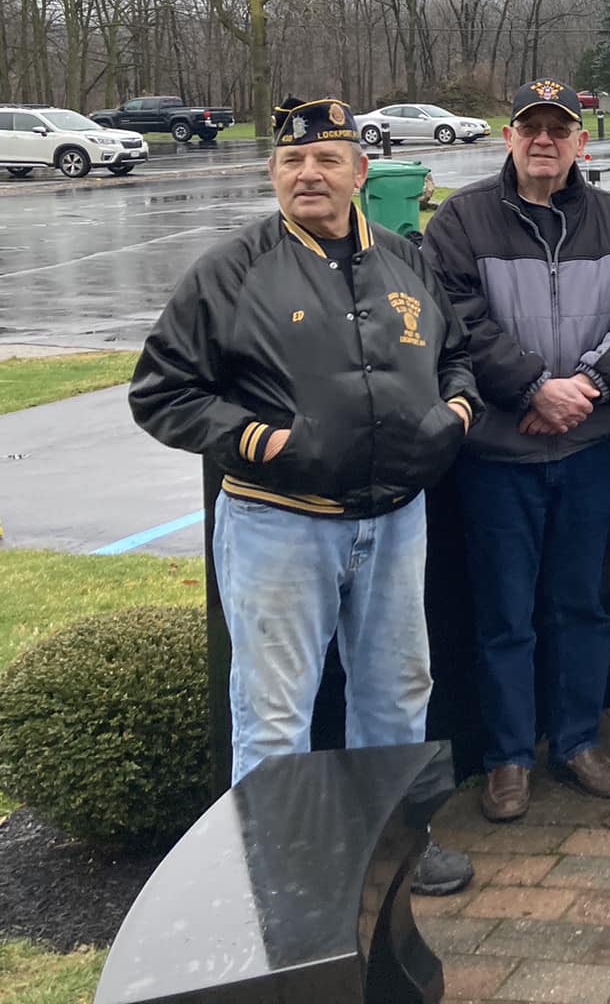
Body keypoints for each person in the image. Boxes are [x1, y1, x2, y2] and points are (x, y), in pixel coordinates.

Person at [130, 95, 479, 896]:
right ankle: (276, 867)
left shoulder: (405, 259)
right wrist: (268, 441)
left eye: (327, 160)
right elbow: (161, 393)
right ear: (273, 171)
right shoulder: (230, 272)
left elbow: (456, 356)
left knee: (396, 694)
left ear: (360, 171)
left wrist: (454, 414)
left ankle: (397, 843)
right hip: (277, 525)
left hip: (395, 519)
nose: (309, 174)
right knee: (275, 709)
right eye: (293, 161)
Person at [422, 79, 610, 822]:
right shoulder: (461, 222)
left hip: (588, 448)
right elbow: (455, 319)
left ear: (580, 143)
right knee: (505, 614)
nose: (543, 141)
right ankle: (507, 757)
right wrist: (533, 387)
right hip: (499, 455)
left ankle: (578, 739)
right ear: (509, 137)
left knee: (582, 605)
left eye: (558, 130)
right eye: (529, 128)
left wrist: (584, 389)